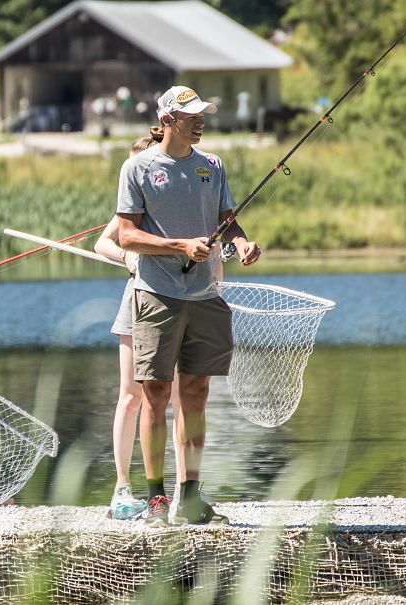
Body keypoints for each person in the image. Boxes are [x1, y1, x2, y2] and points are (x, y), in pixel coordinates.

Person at [115, 86, 261, 525]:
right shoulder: (137, 167)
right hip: (156, 295)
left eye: (203, 115)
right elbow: (126, 236)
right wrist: (179, 245)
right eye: (191, 115)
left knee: (196, 395)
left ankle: (191, 495)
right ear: (167, 119)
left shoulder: (211, 166)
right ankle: (156, 498)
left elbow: (227, 221)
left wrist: (241, 243)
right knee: (155, 396)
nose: (200, 121)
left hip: (206, 298)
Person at [96, 134, 223, 520]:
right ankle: (123, 489)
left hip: (190, 299)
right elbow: (105, 242)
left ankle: (187, 493)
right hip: (142, 299)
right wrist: (128, 258)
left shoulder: (197, 180)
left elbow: (216, 248)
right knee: (134, 395)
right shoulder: (135, 195)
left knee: (188, 397)